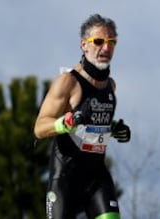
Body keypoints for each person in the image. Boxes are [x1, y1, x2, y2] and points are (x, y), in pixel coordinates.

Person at [34, 14, 131, 219]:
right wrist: (65, 122)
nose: (106, 48)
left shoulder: (110, 86)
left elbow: (92, 124)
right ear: (84, 45)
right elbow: (40, 127)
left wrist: (114, 128)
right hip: (66, 178)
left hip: (97, 176)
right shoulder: (68, 82)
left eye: (111, 42)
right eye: (98, 42)